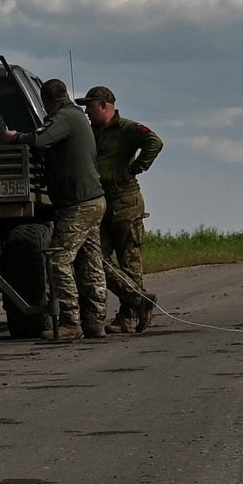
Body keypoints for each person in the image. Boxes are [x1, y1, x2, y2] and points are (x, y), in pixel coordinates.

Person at [6, 78, 108, 339]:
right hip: (92, 200)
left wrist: (15, 136)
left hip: (78, 204)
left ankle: (71, 323)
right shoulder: (76, 117)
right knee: (90, 262)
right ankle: (95, 321)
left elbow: (40, 141)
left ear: (46, 101)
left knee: (59, 260)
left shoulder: (65, 117)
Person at [82, 85, 162, 332]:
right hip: (101, 202)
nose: (87, 111)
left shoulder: (126, 128)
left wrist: (134, 169)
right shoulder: (91, 132)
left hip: (126, 202)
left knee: (129, 260)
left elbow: (154, 142)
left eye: (90, 105)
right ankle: (139, 301)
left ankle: (128, 316)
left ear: (104, 105)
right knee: (96, 259)